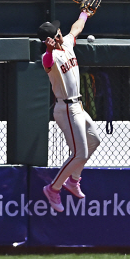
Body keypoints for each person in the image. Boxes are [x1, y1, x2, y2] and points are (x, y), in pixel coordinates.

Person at [37, 12, 100, 213]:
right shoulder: (51, 56)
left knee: (94, 140)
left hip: (78, 106)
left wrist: (84, 13)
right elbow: (47, 63)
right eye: (57, 31)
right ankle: (53, 188)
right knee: (79, 153)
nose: (61, 32)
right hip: (65, 109)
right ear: (53, 36)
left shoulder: (67, 44)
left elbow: (77, 28)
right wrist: (48, 49)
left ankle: (73, 181)